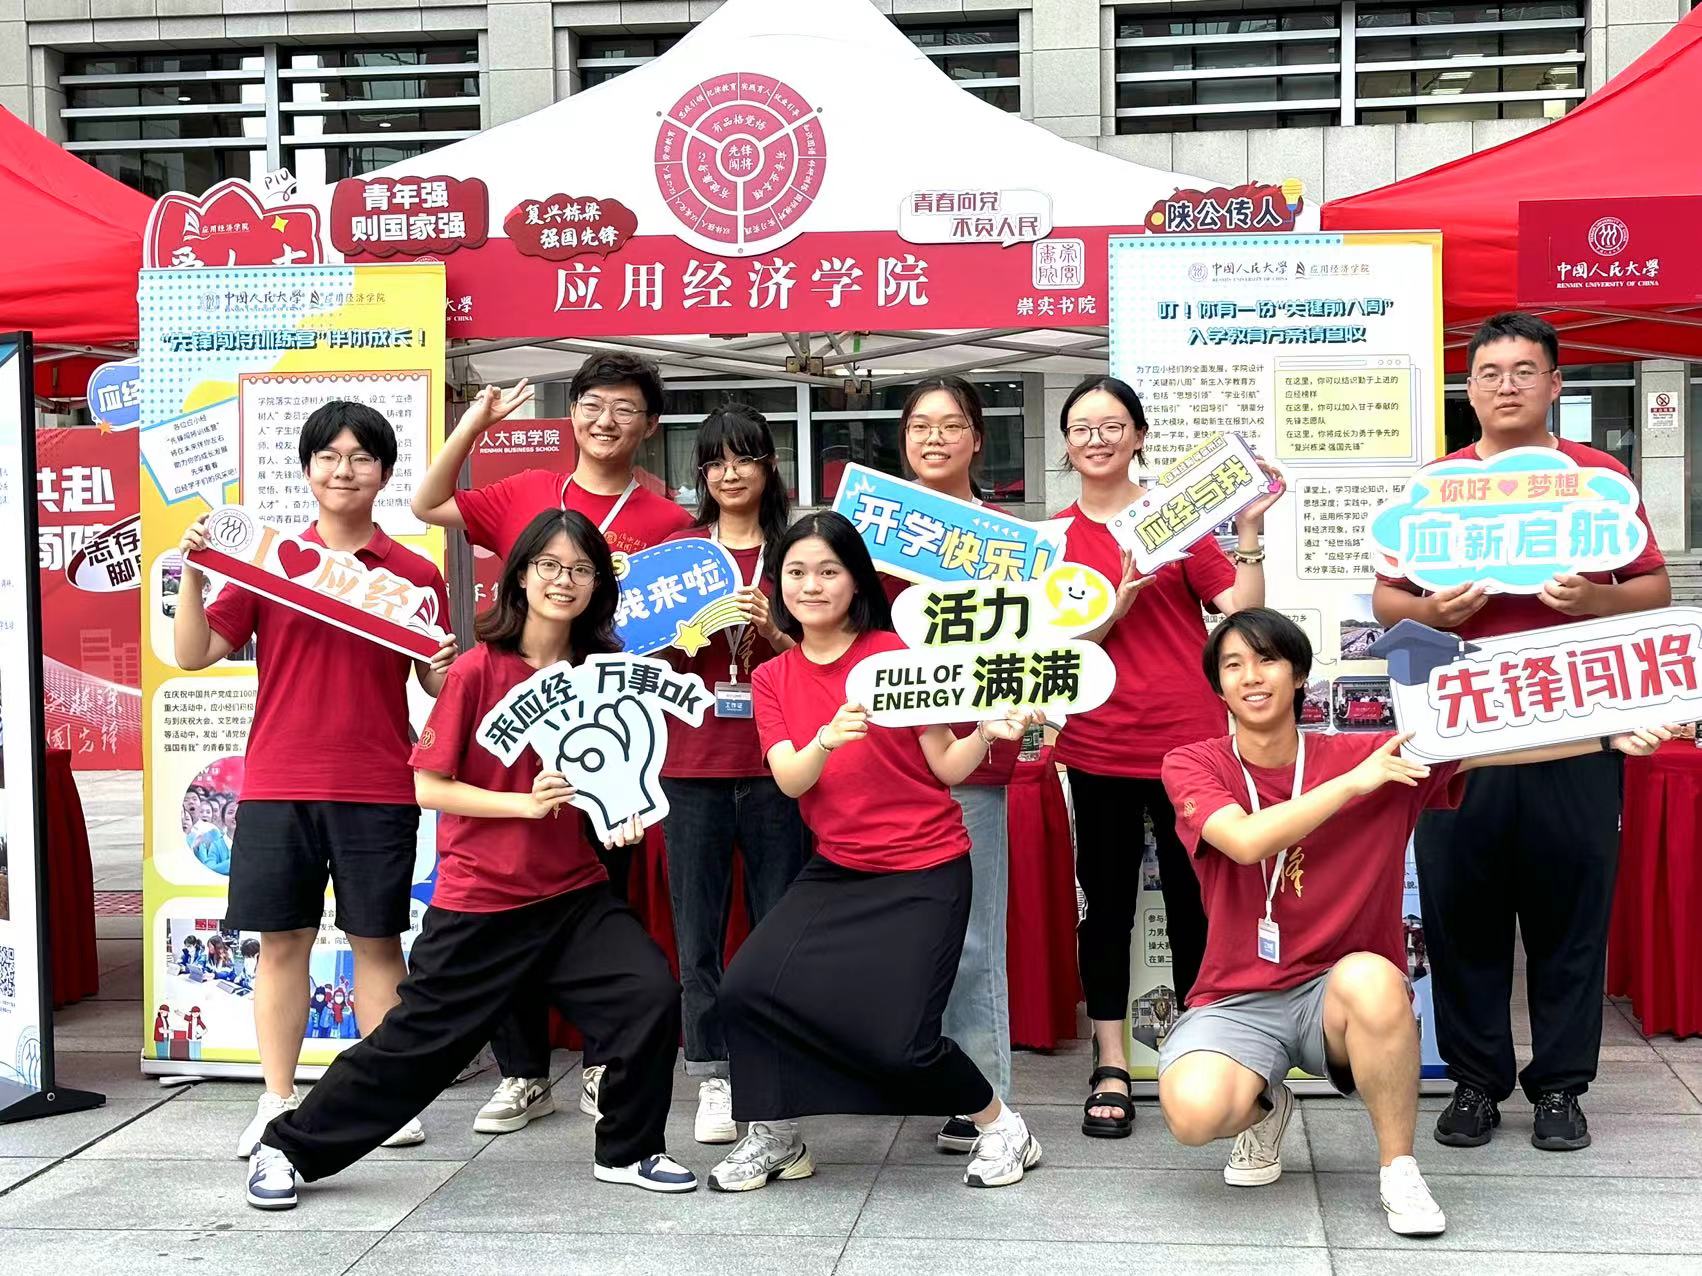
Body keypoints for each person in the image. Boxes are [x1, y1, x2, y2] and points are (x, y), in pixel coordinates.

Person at [1157, 608, 1672, 1237]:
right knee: (1194, 1114)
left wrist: (1604, 742)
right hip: (1239, 995)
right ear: (1217, 685)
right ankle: (1266, 1107)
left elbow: (1488, 748)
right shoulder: (1194, 763)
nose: (1251, 677)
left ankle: (1398, 1169)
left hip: (1340, 992)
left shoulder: (1370, 754)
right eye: (1233, 665)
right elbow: (1243, 842)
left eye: (1268, 660)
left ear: (1299, 676)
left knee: (1373, 977)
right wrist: (1353, 785)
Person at [245, 509, 696, 1209]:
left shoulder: (602, 674)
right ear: (519, 577)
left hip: (572, 892)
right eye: (549, 565)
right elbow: (428, 785)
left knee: (647, 995)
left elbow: (611, 775)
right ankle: (287, 1147)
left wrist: (621, 816)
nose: (564, 580)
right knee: (417, 1047)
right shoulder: (478, 671)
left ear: (598, 587)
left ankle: (630, 1149)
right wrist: (523, 805)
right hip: (483, 897)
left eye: (581, 569)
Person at [1372, 312, 1671, 1152]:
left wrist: (1597, 599)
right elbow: (1388, 601)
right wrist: (1432, 611)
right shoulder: (1435, 488)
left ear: (1555, 385)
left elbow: (1651, 587)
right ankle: (1476, 1084)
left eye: (1524, 370)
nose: (1506, 386)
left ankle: (1562, 1087)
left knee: (1569, 924)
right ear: (1469, 390)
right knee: (1462, 921)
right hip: (1461, 745)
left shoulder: (1598, 478)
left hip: (1575, 738)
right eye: (1490, 372)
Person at [710, 511, 1042, 1193]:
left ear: (856, 581)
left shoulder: (896, 656)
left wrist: (988, 731)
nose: (812, 585)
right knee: (748, 990)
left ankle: (1003, 1127)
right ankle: (776, 1135)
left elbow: (947, 766)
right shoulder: (774, 677)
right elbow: (790, 779)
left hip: (927, 868)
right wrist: (825, 740)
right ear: (777, 584)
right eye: (797, 572)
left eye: (828, 571)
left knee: (902, 1042)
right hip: (840, 868)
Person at [412, 351, 692, 1134]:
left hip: (608, 747)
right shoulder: (529, 493)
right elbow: (427, 502)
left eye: (626, 409)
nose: (607, 421)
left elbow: (675, 643)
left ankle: (605, 1064)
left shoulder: (670, 523)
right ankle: (523, 1072)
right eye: (593, 404)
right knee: (511, 907)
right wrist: (475, 423)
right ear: (572, 414)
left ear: (650, 425)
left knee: (601, 906)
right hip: (513, 740)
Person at [174, 399, 455, 1159]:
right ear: (306, 471)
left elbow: (435, 686)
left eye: (361, 457)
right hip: (277, 782)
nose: (343, 470)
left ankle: (383, 1101)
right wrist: (194, 576)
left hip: (378, 782)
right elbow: (194, 654)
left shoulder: (414, 575)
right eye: (328, 457)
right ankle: (276, 1098)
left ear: (384, 473)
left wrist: (443, 666)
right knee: (282, 943)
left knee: (377, 944)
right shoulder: (269, 562)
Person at [1050, 376, 1283, 1138]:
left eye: (1112, 425)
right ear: (1066, 443)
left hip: (1190, 750)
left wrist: (1247, 530)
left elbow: (1243, 612)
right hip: (1098, 746)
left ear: (1139, 436)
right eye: (1082, 428)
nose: (1097, 439)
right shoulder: (1053, 540)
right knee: (1106, 909)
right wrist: (1112, 607)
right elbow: (1054, 647)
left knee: (1197, 905)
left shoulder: (1174, 521)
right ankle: (1111, 1062)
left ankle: (1202, 1056)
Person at [658, 405, 808, 1145]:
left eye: (744, 457)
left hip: (782, 763)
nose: (728, 473)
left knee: (780, 925)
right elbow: (631, 644)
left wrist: (774, 631)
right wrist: (683, 630)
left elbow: (828, 652)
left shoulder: (797, 552)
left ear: (769, 466)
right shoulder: (677, 555)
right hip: (691, 764)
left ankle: (771, 1062)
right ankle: (712, 1073)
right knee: (698, 933)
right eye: (714, 461)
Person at [880, 376, 1021, 1154]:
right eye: (919, 426)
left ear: (977, 439)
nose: (933, 438)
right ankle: (907, 1074)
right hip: (876, 761)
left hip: (968, 757)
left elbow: (1032, 646)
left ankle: (984, 1097)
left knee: (970, 937)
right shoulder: (869, 531)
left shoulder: (1009, 542)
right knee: (891, 935)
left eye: (950, 425)